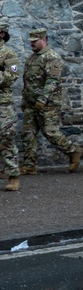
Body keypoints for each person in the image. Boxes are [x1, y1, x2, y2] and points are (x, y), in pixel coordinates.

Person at [21, 29, 83, 175]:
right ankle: (30, 164)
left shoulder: (52, 57)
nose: (31, 43)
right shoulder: (32, 58)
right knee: (28, 133)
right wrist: (25, 100)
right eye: (31, 41)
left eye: (34, 41)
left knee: (50, 132)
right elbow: (27, 81)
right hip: (31, 103)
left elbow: (52, 80)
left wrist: (43, 99)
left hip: (47, 104)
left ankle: (73, 151)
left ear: (43, 39)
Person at [1, 18, 20, 191]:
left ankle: (13, 175)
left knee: (6, 137)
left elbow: (12, 75)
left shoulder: (9, 54)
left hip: (2, 104)